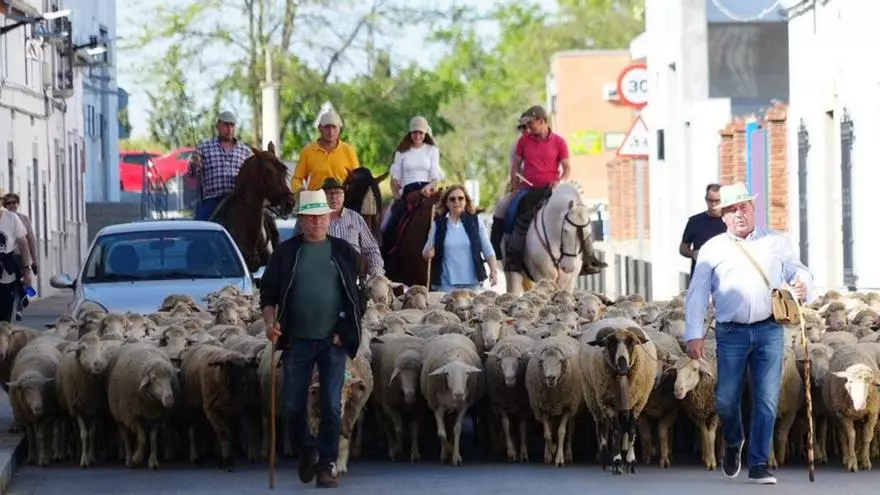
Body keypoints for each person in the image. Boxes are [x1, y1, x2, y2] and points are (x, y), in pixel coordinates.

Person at [684, 181, 812, 485]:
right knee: (726, 399)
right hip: (731, 333)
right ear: (723, 217)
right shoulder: (713, 249)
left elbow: (799, 270)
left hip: (770, 329)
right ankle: (733, 439)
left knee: (767, 399)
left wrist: (804, 284)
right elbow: (698, 293)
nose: (739, 213)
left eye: (744, 207)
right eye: (731, 209)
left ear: (754, 209)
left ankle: (758, 463)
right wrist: (693, 333)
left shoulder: (776, 241)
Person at [259, 188, 363, 489]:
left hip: (332, 343)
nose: (316, 222)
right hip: (297, 341)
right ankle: (307, 450)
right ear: (301, 220)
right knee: (292, 405)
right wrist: (270, 324)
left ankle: (327, 464)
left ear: (329, 218)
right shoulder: (285, 253)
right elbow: (268, 295)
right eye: (309, 217)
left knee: (331, 404)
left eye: (321, 217)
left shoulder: (344, 252)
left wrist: (345, 331)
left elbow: (358, 296)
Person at [290, 178, 385, 278]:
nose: (334, 197)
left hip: (354, 273)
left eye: (339, 193)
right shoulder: (311, 218)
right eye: (330, 193)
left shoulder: (355, 218)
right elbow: (296, 247)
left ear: (344, 196)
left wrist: (376, 273)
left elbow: (371, 249)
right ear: (322, 196)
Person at [381, 116, 444, 252]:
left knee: (445, 212)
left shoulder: (432, 150)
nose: (417, 135)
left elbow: (435, 176)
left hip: (428, 190)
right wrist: (396, 191)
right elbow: (395, 178)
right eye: (415, 132)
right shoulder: (402, 152)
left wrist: (429, 187)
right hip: (409, 191)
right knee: (393, 218)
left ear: (425, 134)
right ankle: (388, 250)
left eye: (420, 133)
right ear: (410, 133)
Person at [422, 185, 499, 292]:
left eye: (460, 198)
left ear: (466, 201)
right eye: (452, 199)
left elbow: (487, 249)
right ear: (446, 203)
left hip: (473, 283)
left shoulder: (476, 222)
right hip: (446, 283)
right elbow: (425, 252)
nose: (456, 202)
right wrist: (428, 254)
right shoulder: (437, 224)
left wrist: (493, 271)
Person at [187, 111, 254, 221]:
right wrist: (194, 164)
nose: (229, 129)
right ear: (218, 126)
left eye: (232, 125)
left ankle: (275, 236)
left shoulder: (245, 151)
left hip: (238, 200)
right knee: (199, 226)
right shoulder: (204, 148)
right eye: (226, 125)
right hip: (213, 200)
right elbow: (191, 172)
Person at [489, 113, 529, 257]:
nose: (525, 130)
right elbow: (514, 168)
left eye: (527, 127)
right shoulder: (517, 146)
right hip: (524, 186)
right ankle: (497, 246)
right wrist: (516, 186)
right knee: (502, 206)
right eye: (522, 128)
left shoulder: (547, 142)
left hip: (547, 186)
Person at [291, 110, 360, 193]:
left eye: (334, 127)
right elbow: (297, 179)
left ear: (339, 129)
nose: (331, 132)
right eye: (327, 127)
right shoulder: (307, 152)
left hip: (342, 201)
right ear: (320, 128)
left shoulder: (349, 151)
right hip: (316, 202)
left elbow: (357, 179)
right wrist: (299, 190)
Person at [679, 183, 726, 283]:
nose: (713, 204)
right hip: (700, 278)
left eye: (717, 201)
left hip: (725, 278)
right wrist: (693, 254)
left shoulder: (731, 221)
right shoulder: (694, 221)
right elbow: (683, 248)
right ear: (706, 199)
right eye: (710, 200)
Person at [2, 194, 37, 320]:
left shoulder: (24, 219)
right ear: (5, 205)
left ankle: (21, 303)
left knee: (24, 282)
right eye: (9, 203)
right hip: (7, 256)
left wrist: (34, 260)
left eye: (14, 202)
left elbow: (30, 240)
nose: (12, 205)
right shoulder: (4, 219)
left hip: (21, 256)